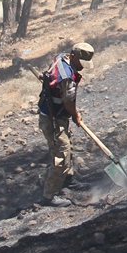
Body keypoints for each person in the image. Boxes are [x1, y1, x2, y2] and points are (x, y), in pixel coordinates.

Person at [38, 42, 95, 205]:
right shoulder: (68, 77)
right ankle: (49, 196)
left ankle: (67, 181)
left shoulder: (61, 57)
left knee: (67, 145)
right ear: (74, 56)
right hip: (53, 119)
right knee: (61, 154)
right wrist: (76, 116)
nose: (82, 67)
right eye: (80, 63)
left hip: (59, 115)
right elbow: (69, 103)